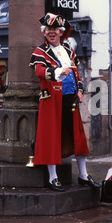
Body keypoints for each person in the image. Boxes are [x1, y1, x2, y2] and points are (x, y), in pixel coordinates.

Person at [29, 13, 100, 192]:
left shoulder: (69, 51)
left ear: (61, 32)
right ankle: (53, 177)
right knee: (51, 138)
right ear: (44, 32)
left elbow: (78, 74)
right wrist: (57, 72)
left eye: (54, 29)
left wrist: (81, 91)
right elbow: (39, 71)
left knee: (78, 137)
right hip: (52, 100)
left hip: (71, 99)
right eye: (48, 30)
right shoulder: (39, 52)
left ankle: (83, 175)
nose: (51, 32)